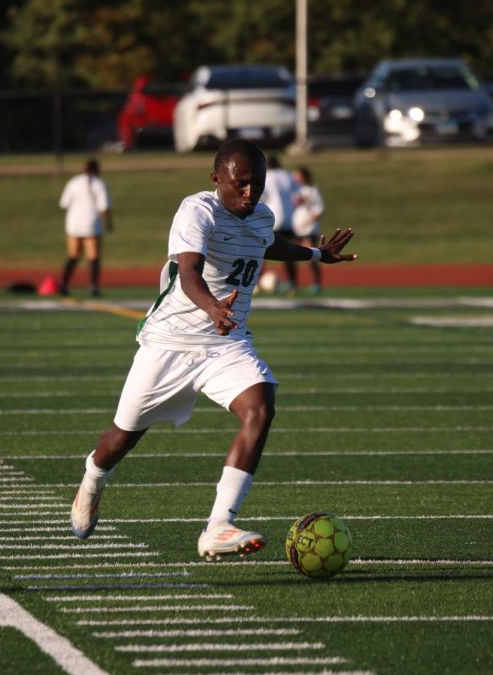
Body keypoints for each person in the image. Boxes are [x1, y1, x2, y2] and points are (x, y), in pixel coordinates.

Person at [69, 138, 357, 559]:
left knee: (261, 406)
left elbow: (266, 242)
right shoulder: (196, 210)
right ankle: (93, 479)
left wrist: (314, 253)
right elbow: (188, 272)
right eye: (240, 183)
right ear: (216, 178)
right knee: (121, 439)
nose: (249, 193)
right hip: (170, 342)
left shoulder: (259, 214)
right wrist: (211, 308)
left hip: (226, 341)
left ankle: (218, 525)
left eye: (256, 184)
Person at [58, 159, 113, 297]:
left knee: (73, 255)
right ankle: (93, 286)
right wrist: (109, 222)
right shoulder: (99, 184)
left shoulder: (73, 182)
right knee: (93, 256)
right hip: (91, 223)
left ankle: (64, 284)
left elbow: (64, 203)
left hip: (73, 223)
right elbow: (104, 207)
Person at [260, 155, 301, 293]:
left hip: (273, 219)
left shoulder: (267, 176)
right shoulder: (288, 176)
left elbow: (261, 197)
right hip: (289, 220)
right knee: (289, 252)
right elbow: (298, 196)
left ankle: (256, 283)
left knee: (261, 251)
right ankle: (293, 284)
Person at [291, 165, 326, 294]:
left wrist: (307, 222)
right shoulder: (294, 190)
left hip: (308, 230)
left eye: (297, 175)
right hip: (296, 229)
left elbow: (319, 210)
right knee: (291, 255)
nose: (295, 178)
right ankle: (293, 283)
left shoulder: (312, 191)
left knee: (311, 255)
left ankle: (316, 283)